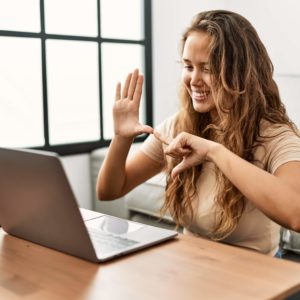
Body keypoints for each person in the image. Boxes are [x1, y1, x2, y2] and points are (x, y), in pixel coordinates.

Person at [96, 10, 300, 256]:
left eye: (208, 68)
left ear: (240, 72)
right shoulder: (177, 126)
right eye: (188, 66)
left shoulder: (275, 135)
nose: (194, 79)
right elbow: (109, 191)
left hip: (255, 276)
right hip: (190, 268)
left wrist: (214, 151)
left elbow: (296, 214)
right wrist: (121, 138)